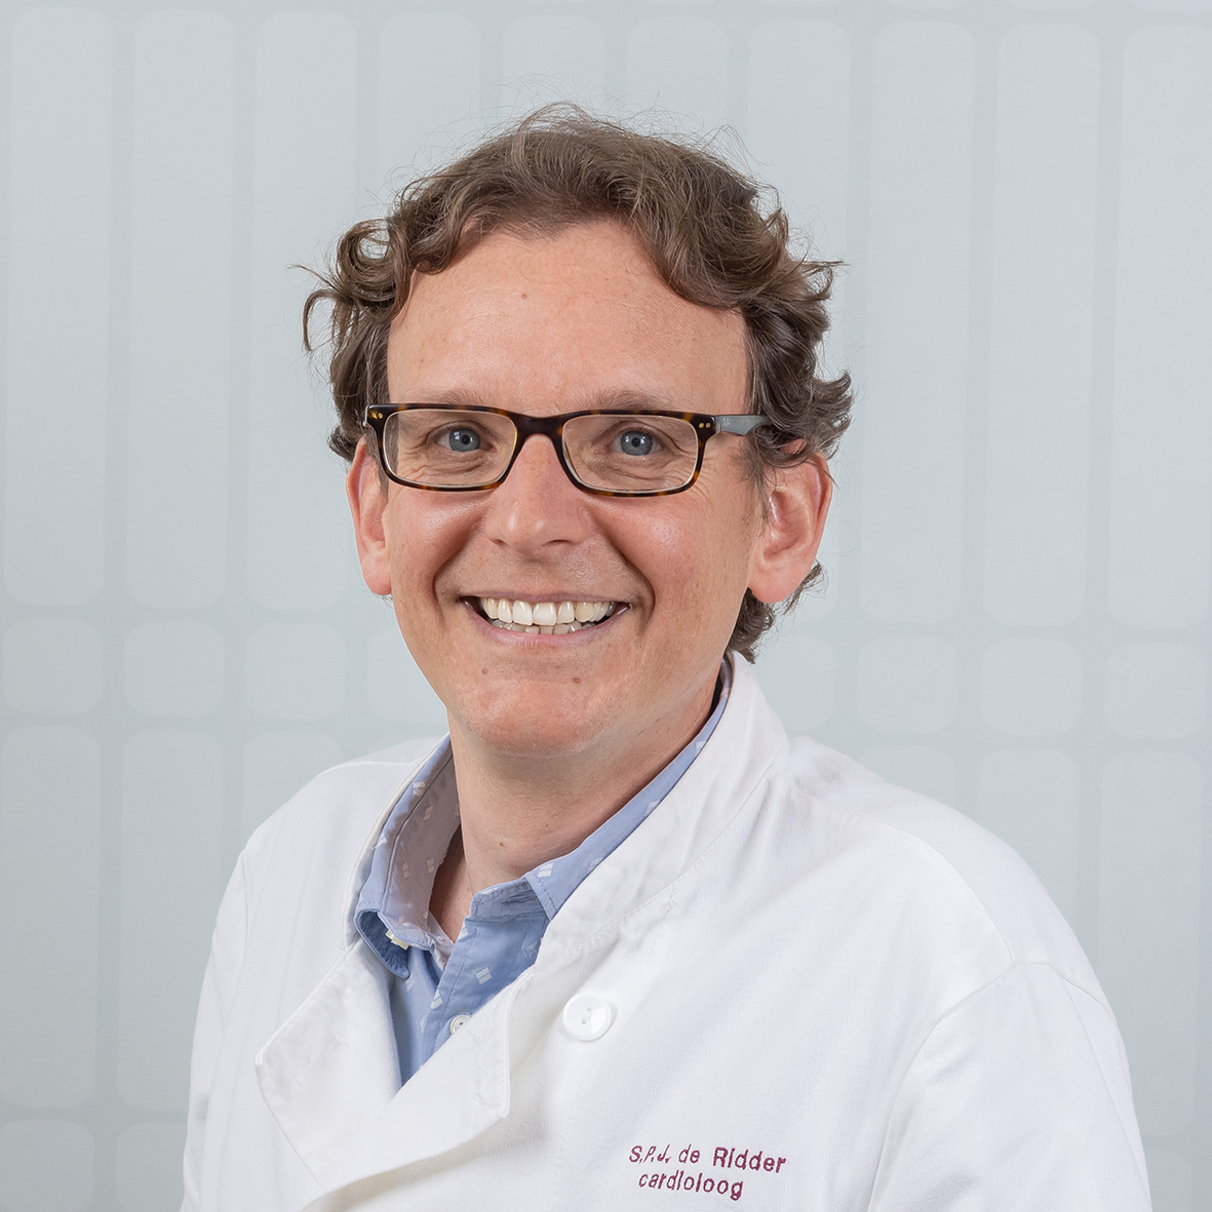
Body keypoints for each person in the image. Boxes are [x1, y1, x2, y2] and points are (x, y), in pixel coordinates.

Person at [183, 109, 1150, 1211]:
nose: (529, 522)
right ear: (373, 512)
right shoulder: (291, 872)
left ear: (782, 519)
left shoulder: (951, 965)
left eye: (635, 441)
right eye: (458, 437)